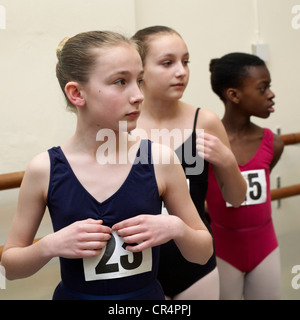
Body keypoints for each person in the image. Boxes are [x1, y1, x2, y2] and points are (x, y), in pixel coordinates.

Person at [0, 31, 213, 300]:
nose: (138, 95)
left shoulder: (160, 159)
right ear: (77, 93)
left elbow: (203, 253)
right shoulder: (44, 169)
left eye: (139, 81)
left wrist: (176, 228)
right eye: (120, 82)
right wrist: (50, 246)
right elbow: (9, 268)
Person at [132, 26, 247, 300]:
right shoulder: (121, 125)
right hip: (137, 264)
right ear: (140, 70)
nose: (181, 71)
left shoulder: (205, 121)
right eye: (167, 63)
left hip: (194, 263)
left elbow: (237, 198)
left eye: (185, 61)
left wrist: (228, 161)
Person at [206, 52, 284, 299]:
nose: (270, 94)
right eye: (263, 88)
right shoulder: (206, 144)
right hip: (222, 250)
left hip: (266, 247)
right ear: (234, 95)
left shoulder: (274, 143)